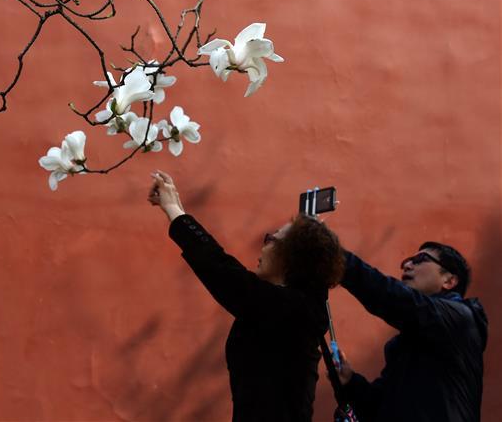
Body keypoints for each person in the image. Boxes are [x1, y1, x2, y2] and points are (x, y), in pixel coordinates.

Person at [148, 171, 345, 422]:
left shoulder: (294, 311)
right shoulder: (289, 307)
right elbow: (228, 272)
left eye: (272, 239)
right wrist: (176, 207)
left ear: (293, 259)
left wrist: (175, 212)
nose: (263, 245)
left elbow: (224, 273)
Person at [336, 241, 487, 422]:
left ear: (449, 280)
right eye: (407, 261)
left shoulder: (459, 317)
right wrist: (350, 381)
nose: (407, 265)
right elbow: (380, 406)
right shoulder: (405, 343)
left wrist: (336, 258)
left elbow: (392, 297)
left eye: (420, 259)